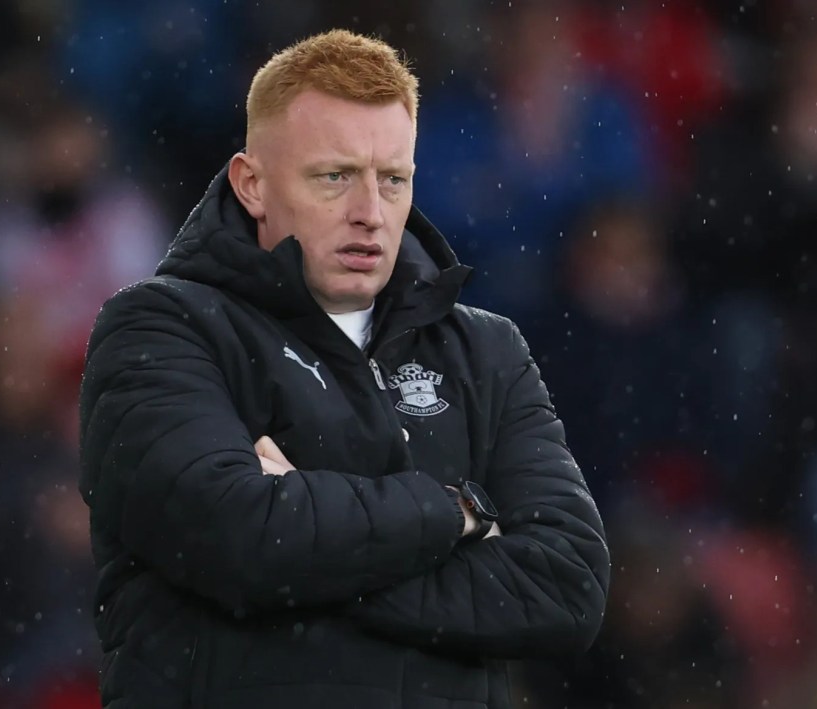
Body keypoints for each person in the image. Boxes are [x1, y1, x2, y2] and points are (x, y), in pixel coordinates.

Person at [79, 29, 610, 709]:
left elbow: (567, 588)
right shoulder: (158, 327)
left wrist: (307, 545)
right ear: (251, 185)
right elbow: (238, 540)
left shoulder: (487, 350)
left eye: (393, 180)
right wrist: (458, 512)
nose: (370, 213)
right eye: (334, 177)